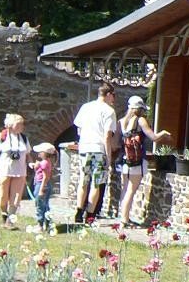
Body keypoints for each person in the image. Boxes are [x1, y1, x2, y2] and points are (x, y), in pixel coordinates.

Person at [116, 95, 170, 226]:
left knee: (125, 189)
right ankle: (124, 219)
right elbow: (154, 137)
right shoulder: (140, 120)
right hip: (137, 161)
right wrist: (164, 133)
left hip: (124, 160)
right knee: (131, 190)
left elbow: (116, 143)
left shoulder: (121, 121)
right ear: (140, 109)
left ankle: (122, 216)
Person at [72, 83, 118, 225]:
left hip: (85, 148)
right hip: (99, 149)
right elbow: (107, 136)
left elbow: (78, 128)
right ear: (109, 94)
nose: (114, 99)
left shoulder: (86, 107)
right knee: (96, 184)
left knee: (83, 181)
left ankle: (79, 212)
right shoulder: (109, 111)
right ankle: (90, 215)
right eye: (114, 96)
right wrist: (109, 157)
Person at [0, 113, 30, 223]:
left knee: (16, 196)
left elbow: (27, 154)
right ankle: (4, 215)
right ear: (11, 125)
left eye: (22, 124)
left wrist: (30, 163)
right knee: (2, 195)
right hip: (4, 170)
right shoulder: (2, 137)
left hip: (20, 171)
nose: (22, 126)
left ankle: (11, 218)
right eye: (19, 124)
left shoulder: (23, 138)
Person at [30, 142, 57, 232]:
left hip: (41, 184)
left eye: (40, 152)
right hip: (45, 184)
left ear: (45, 153)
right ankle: (48, 224)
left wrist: (41, 190)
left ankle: (40, 225)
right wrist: (36, 166)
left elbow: (45, 177)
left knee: (40, 205)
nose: (38, 153)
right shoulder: (46, 162)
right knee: (45, 205)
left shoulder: (44, 163)